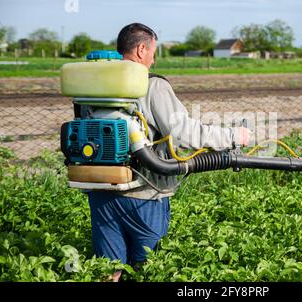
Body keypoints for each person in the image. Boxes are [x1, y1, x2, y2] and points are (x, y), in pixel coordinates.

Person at [86, 23, 251, 281]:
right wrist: (233, 136)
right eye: (153, 51)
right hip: (143, 192)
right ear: (141, 49)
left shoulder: (94, 83)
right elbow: (184, 132)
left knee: (109, 270)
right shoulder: (152, 85)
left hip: (100, 191)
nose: (154, 58)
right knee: (148, 267)